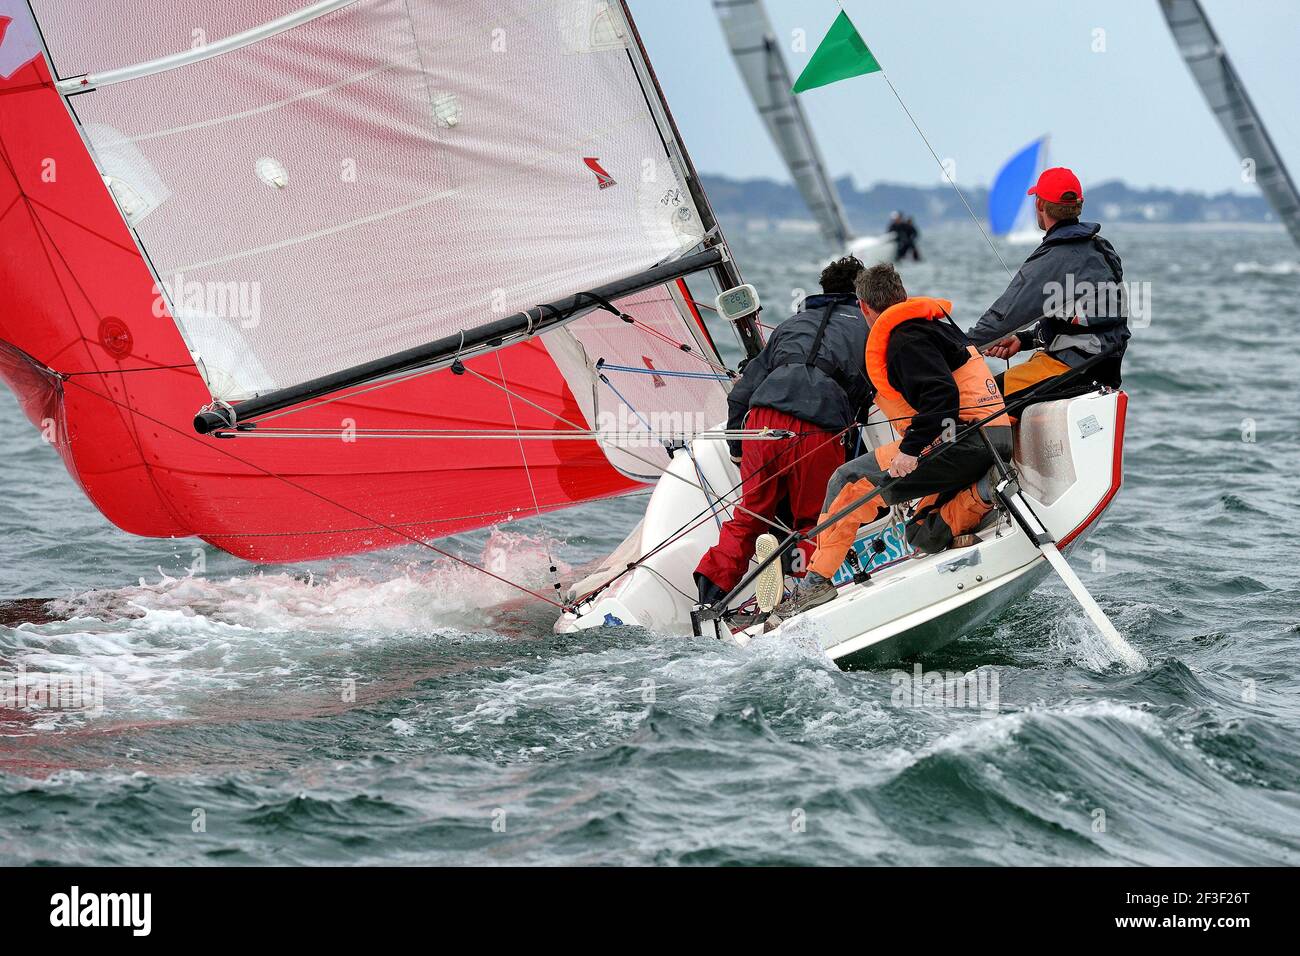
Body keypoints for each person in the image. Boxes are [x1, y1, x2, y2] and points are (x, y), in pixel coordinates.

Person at [777, 263, 1012, 616]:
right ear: (900, 296)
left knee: (848, 481)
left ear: (864, 308)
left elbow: (942, 399)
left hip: (964, 439)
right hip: (994, 439)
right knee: (920, 533)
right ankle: (983, 490)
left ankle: (816, 584)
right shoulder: (932, 327)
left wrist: (910, 451)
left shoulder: (906, 339)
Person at [694, 256, 873, 606]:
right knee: (814, 520)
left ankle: (709, 595)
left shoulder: (791, 324)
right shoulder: (866, 329)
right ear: (862, 294)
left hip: (762, 423)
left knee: (751, 514)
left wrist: (737, 446)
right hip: (816, 429)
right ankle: (800, 594)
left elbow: (741, 393)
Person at [970, 167, 1129, 395]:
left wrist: (957, 348)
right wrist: (1023, 340)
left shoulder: (1055, 257)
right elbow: (1087, 321)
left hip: (1072, 369)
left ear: (1039, 204)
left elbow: (1001, 318)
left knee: (979, 398)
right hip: (1105, 370)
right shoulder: (1102, 248)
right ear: (1079, 204)